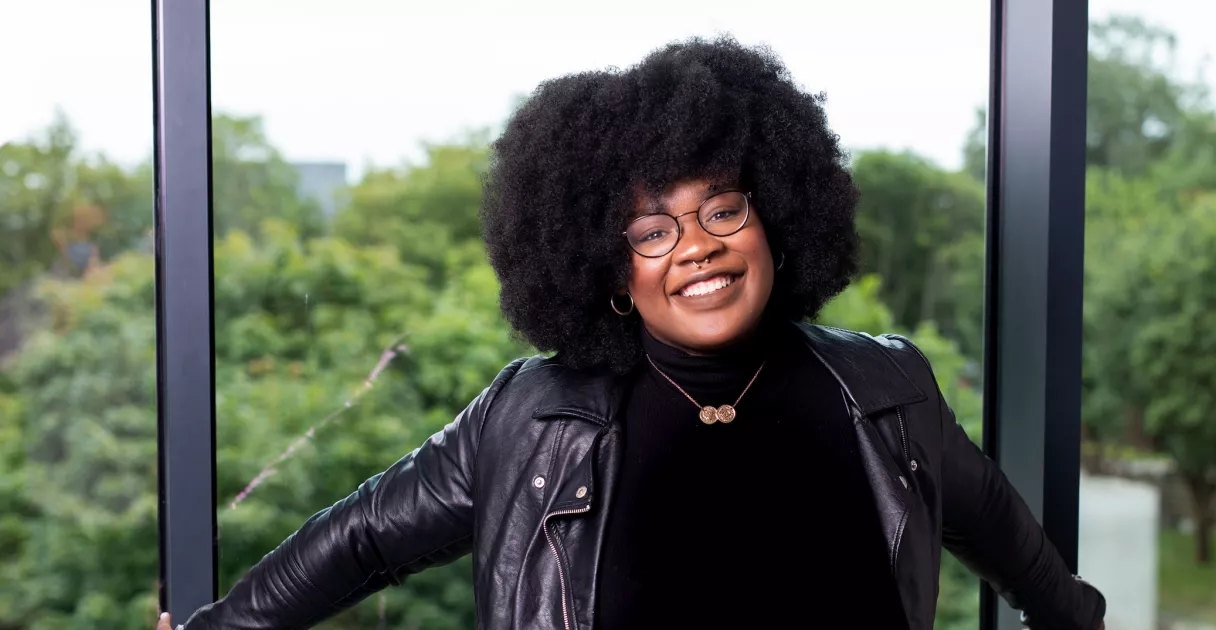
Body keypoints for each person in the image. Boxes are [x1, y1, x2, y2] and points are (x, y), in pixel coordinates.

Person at [158, 36, 1106, 630]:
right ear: (611, 271)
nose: (697, 247)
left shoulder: (888, 389)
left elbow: (1006, 540)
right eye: (653, 231)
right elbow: (363, 538)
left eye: (723, 210)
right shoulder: (532, 416)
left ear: (778, 217)